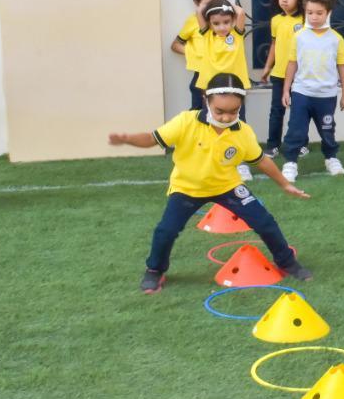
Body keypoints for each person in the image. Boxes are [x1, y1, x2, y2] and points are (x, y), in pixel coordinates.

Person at [108, 72, 312, 294]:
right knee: (166, 231)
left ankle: (286, 262)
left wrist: (284, 184)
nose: (226, 117)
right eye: (220, 111)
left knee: (265, 222)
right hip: (187, 188)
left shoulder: (242, 132)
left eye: (233, 111)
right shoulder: (186, 121)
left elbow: (261, 160)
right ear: (206, 99)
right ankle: (155, 270)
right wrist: (127, 139)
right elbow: (152, 138)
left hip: (228, 187)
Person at [280, 0, 344, 182]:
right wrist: (286, 89)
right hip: (301, 93)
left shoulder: (336, 39)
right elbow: (292, 63)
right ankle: (290, 163)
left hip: (326, 95)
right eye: (309, 12)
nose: (313, 17)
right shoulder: (299, 36)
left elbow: (342, 67)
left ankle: (331, 158)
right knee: (296, 129)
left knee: (327, 130)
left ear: (328, 12)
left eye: (319, 13)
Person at [190, 0, 252, 180]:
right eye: (216, 23)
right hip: (211, 91)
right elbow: (199, 10)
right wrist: (213, 4)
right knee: (210, 126)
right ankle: (211, 162)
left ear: (232, 21)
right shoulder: (207, 35)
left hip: (235, 89)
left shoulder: (237, 34)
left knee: (238, 124)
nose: (222, 27)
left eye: (226, 22)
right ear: (209, 23)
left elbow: (240, 13)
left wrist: (226, 5)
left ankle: (240, 164)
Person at [258, 0, 309, 159]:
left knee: (299, 111)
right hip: (279, 74)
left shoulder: (306, 20)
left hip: (300, 75)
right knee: (276, 110)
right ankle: (272, 145)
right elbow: (274, 45)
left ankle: (301, 143)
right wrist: (267, 67)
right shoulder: (276, 20)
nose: (284, 0)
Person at [170, 0, 226, 111]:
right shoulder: (192, 21)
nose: (212, 7)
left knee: (222, 113)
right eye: (207, 3)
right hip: (200, 74)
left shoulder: (225, 22)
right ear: (196, 2)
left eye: (216, 2)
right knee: (197, 114)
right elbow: (175, 45)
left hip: (222, 75)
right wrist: (192, 52)